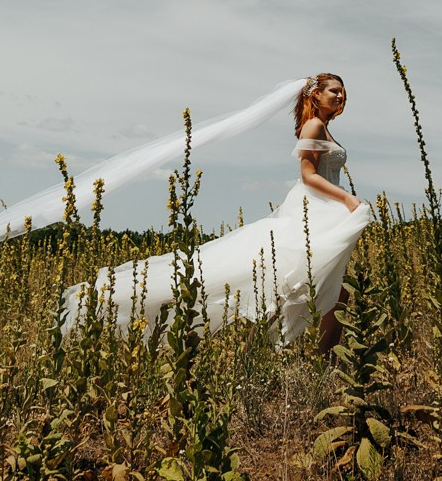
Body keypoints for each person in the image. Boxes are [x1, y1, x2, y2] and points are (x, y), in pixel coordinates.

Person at [60, 72, 369, 350]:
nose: (340, 97)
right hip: (311, 211)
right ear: (316, 95)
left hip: (324, 212)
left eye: (343, 92)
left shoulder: (323, 127)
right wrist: (348, 199)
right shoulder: (314, 126)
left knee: (331, 288)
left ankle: (317, 357)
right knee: (299, 285)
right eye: (334, 91)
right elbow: (308, 175)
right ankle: (293, 355)